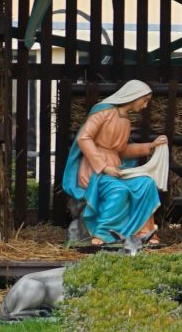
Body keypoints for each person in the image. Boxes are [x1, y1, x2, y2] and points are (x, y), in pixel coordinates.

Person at [62, 79, 165, 249]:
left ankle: (143, 232)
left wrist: (151, 146)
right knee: (119, 190)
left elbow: (121, 151)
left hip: (116, 169)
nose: (145, 106)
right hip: (95, 171)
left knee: (147, 184)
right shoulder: (103, 112)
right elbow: (84, 138)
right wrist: (104, 167)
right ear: (134, 96)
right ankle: (102, 233)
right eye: (145, 100)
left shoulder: (125, 120)